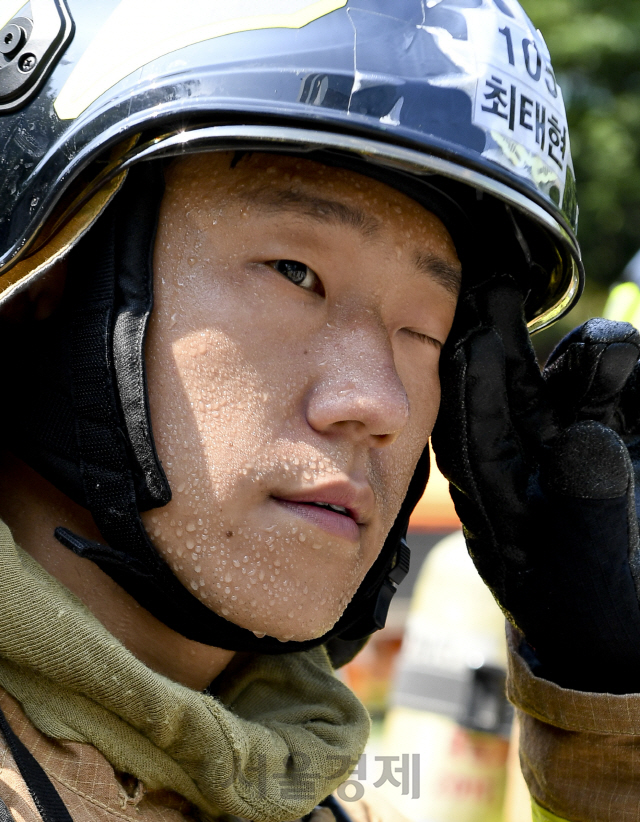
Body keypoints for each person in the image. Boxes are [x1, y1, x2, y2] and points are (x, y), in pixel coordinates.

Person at [0, 1, 587, 821]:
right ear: (50, 280)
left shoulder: (299, 785)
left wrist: (602, 728)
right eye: (294, 271)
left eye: (425, 329)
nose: (379, 403)